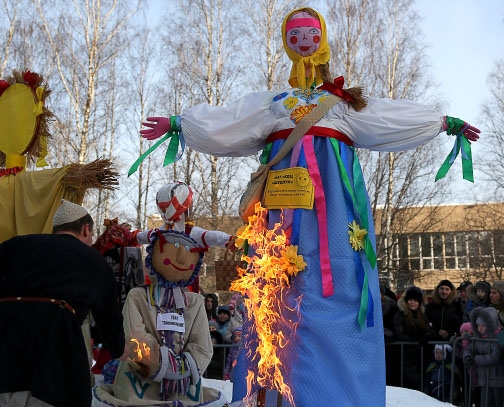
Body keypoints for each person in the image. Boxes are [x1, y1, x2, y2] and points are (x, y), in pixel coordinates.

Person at [139, 7, 480, 405]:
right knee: (279, 290)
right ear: (288, 41)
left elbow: (387, 116)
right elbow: (232, 119)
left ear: (321, 40)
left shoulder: (341, 103)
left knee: (335, 289)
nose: (304, 40)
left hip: (334, 214)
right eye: (296, 34)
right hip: (282, 219)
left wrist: (440, 122)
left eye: (310, 33)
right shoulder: (275, 103)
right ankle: (273, 391)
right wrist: (182, 124)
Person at [0, 199, 125, 407]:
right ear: (86, 229)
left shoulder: (16, 244)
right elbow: (108, 315)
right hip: (54, 349)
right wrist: (118, 349)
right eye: (92, 234)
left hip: (4, 344)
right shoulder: (94, 260)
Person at [92, 230, 225, 406]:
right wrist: (162, 364)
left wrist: (184, 368)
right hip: (140, 384)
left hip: (185, 389)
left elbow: (202, 343)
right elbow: (135, 337)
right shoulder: (138, 296)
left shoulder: (194, 301)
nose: (181, 259)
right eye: (173, 249)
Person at [393, 286, 434, 390]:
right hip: (406, 354)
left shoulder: (423, 314)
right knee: (409, 381)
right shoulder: (400, 314)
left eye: (415, 301)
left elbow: (430, 329)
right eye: (411, 300)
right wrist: (414, 339)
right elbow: (399, 333)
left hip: (421, 353)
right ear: (406, 301)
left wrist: (425, 337)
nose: (413, 303)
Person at [463, 307, 504, 407]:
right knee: (485, 403)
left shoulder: (498, 337)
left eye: (483, 325)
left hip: (498, 378)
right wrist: (467, 356)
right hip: (484, 378)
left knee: (499, 403)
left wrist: (475, 359)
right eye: (478, 325)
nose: (480, 328)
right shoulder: (478, 338)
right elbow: (470, 348)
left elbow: (495, 356)